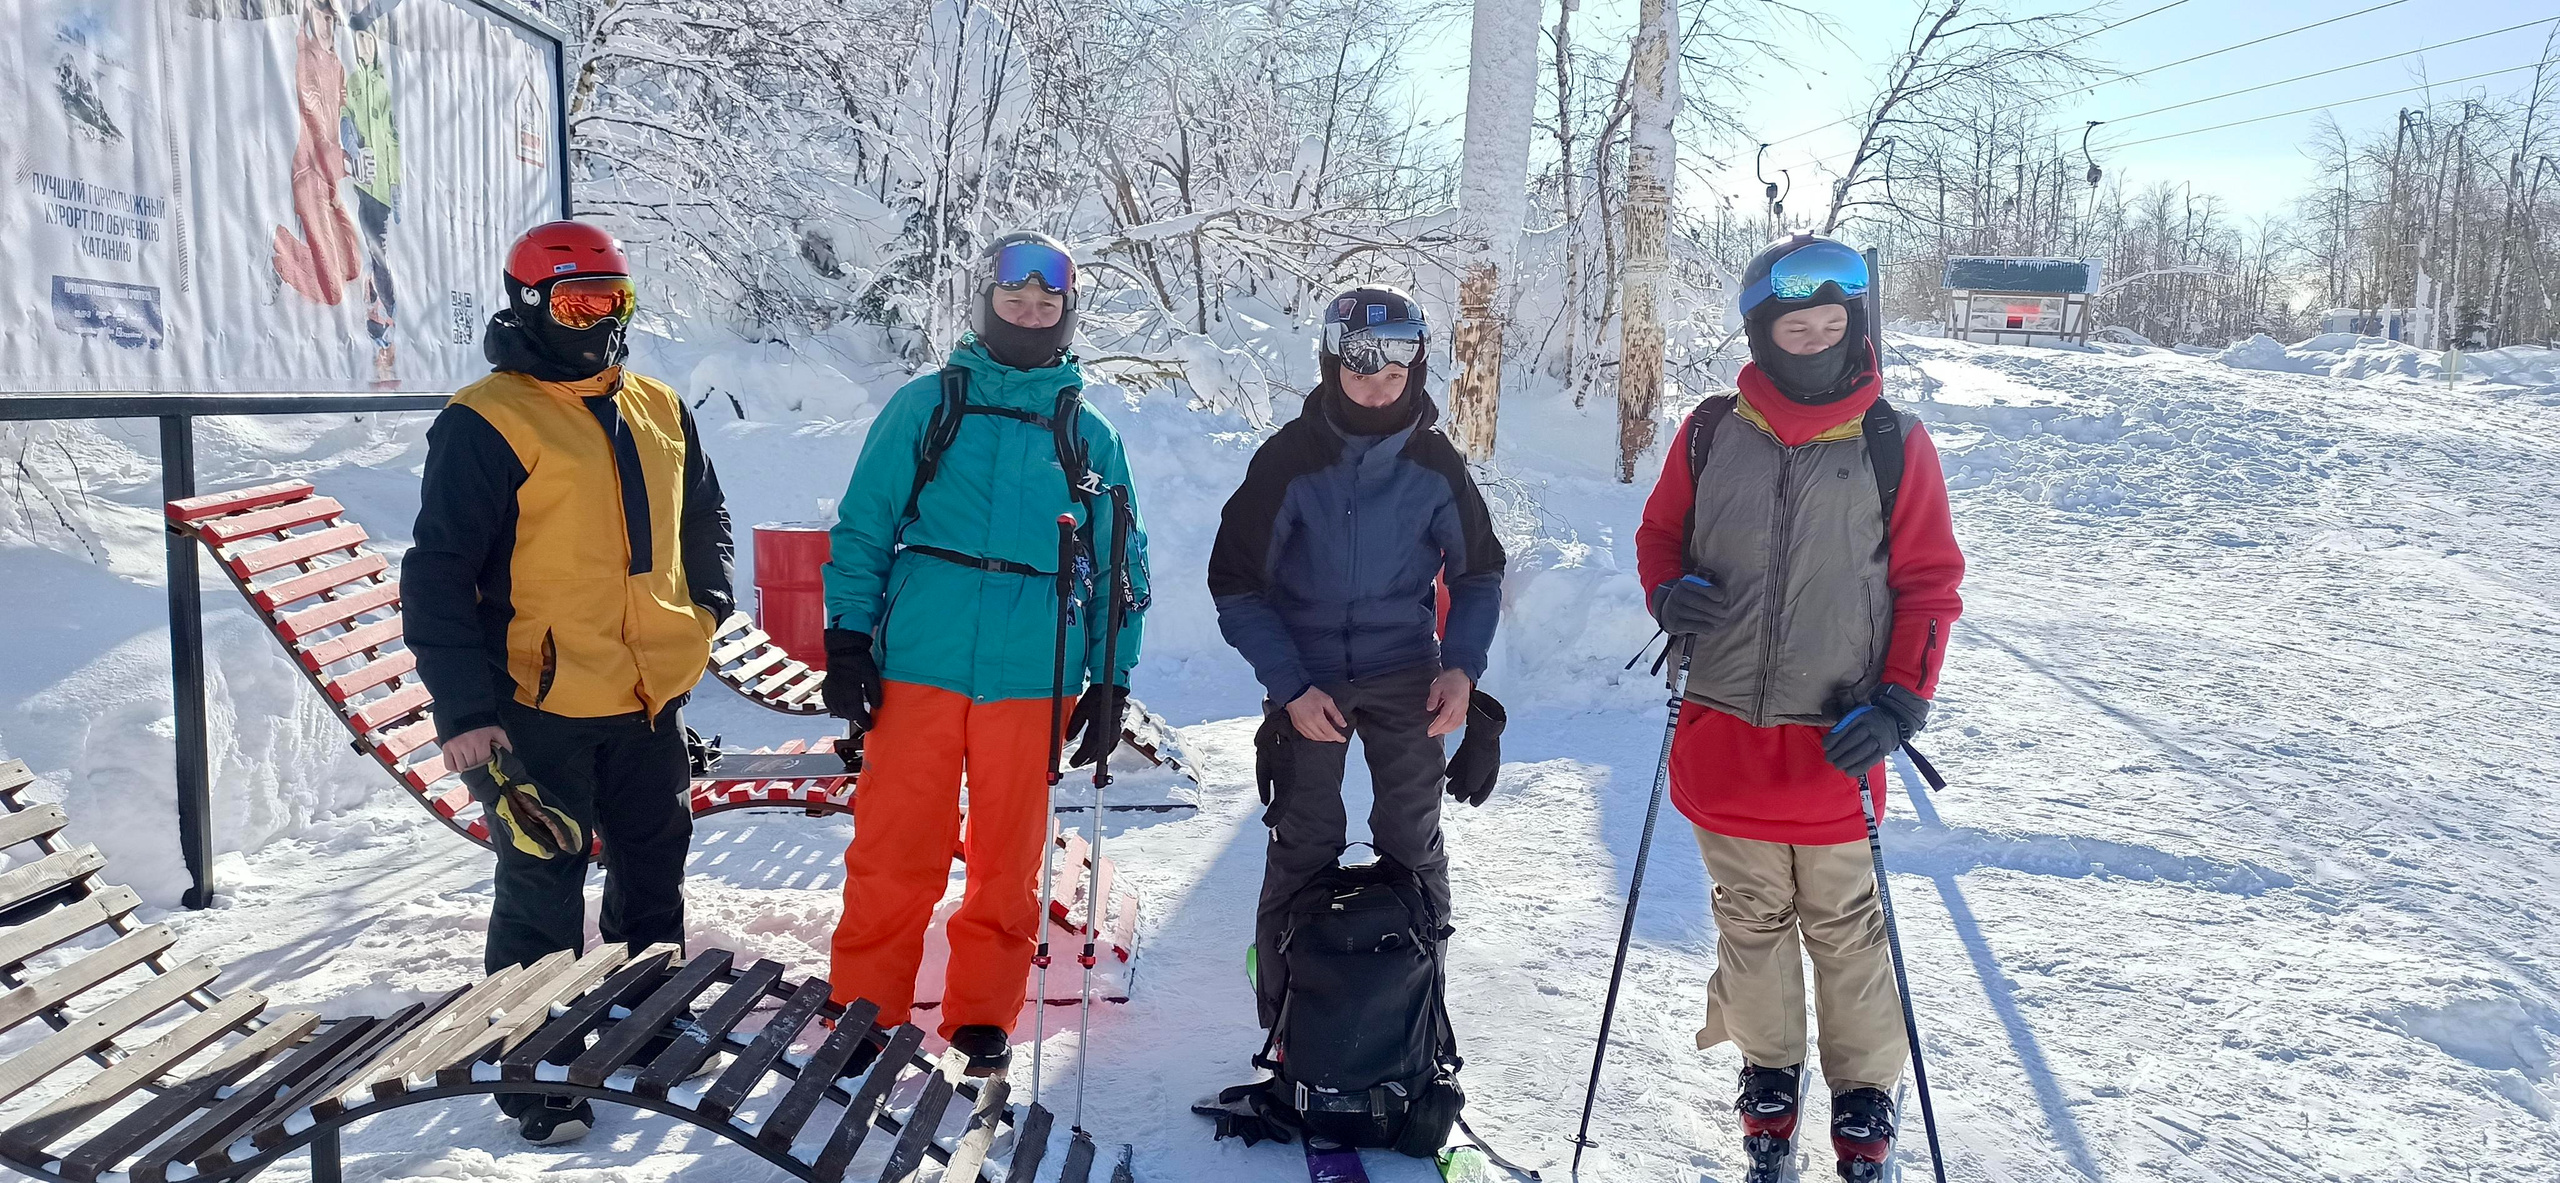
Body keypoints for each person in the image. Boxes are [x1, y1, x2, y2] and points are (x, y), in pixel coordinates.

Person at [1631, 234, 1964, 1181]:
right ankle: (1769, 1081)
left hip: (1837, 741)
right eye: (1794, 324)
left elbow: (1931, 583)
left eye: (1831, 324)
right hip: (1723, 735)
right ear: (1762, 332)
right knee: (1750, 919)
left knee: (1846, 924)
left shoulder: (1892, 443)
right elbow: (1660, 534)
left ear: (1855, 329)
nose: (1814, 340)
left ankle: (1864, 1101)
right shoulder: (1709, 432)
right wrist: (1668, 591)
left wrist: (1902, 701)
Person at [403, 219, 733, 1145]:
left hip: (647, 696)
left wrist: (705, 605)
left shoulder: (660, 406)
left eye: (612, 300)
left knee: (653, 864)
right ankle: (535, 1062)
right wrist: (465, 711)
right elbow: (436, 572)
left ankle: (646, 1019)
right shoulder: (488, 418)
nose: (596, 319)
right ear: (529, 304)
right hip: (537, 701)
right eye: (575, 301)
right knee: (544, 875)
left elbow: (705, 513)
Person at [820, 230, 1148, 1076]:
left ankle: (980, 1018)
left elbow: (1119, 569)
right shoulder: (928, 407)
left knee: (1008, 858)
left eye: (1047, 303)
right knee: (896, 845)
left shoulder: (1090, 435)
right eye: (1014, 299)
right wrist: (849, 639)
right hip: (920, 661)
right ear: (984, 302)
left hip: (1031, 674)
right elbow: (864, 527)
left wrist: (1110, 678)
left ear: (1067, 315)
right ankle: (866, 1007)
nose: (1030, 313)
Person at [1208, 285, 1506, 1029]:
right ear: (1330, 364)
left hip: (1408, 669)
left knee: (1413, 839)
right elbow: (1237, 585)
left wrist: (1462, 665)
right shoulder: (1287, 461)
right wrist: (1290, 686)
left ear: (1418, 370)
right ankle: (1284, 1022)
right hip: (1307, 679)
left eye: (1396, 375)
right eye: (1362, 372)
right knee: (1306, 841)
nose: (1379, 390)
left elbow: (1478, 574)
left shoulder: (1436, 464)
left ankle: (1419, 1013)